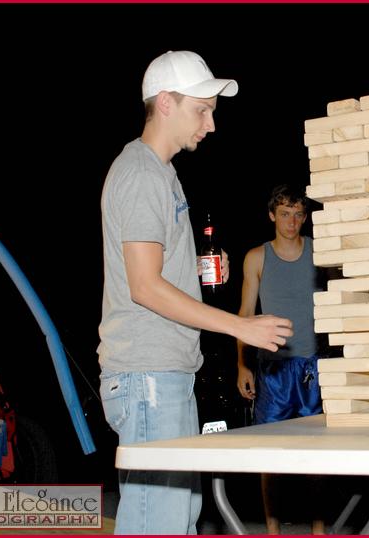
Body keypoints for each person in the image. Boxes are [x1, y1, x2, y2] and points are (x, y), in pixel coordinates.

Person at [97, 50, 293, 535]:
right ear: (166, 102)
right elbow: (144, 287)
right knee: (155, 523)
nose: (210, 124)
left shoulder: (163, 174)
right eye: (201, 110)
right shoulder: (141, 172)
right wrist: (239, 326)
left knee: (178, 518)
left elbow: (158, 274)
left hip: (166, 372)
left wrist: (198, 273)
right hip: (146, 375)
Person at [236, 184, 325, 534]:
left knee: (318, 453)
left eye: (298, 214)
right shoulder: (257, 257)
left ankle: (319, 528)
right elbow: (244, 314)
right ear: (272, 215)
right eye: (285, 213)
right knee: (269, 453)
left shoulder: (320, 252)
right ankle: (272, 530)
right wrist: (242, 365)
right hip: (272, 368)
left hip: (313, 365)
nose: (292, 220)